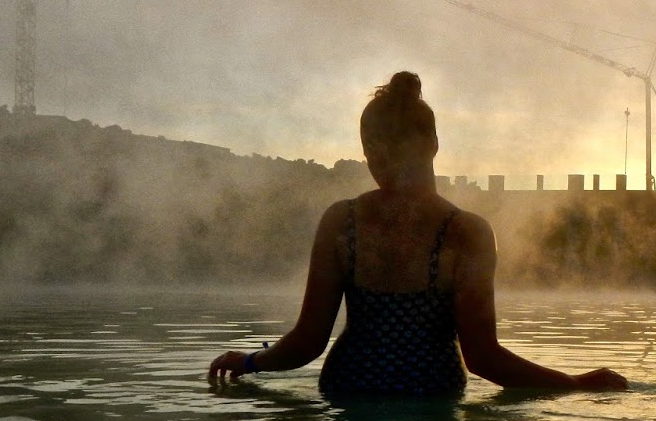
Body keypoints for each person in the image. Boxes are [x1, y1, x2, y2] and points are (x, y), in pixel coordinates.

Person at [208, 71, 627, 395]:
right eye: (371, 149)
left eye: (379, 148)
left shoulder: (342, 221)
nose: (376, 158)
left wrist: (250, 363)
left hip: (349, 390)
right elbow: (483, 359)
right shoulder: (468, 232)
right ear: (433, 144)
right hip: (431, 393)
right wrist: (574, 384)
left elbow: (308, 342)